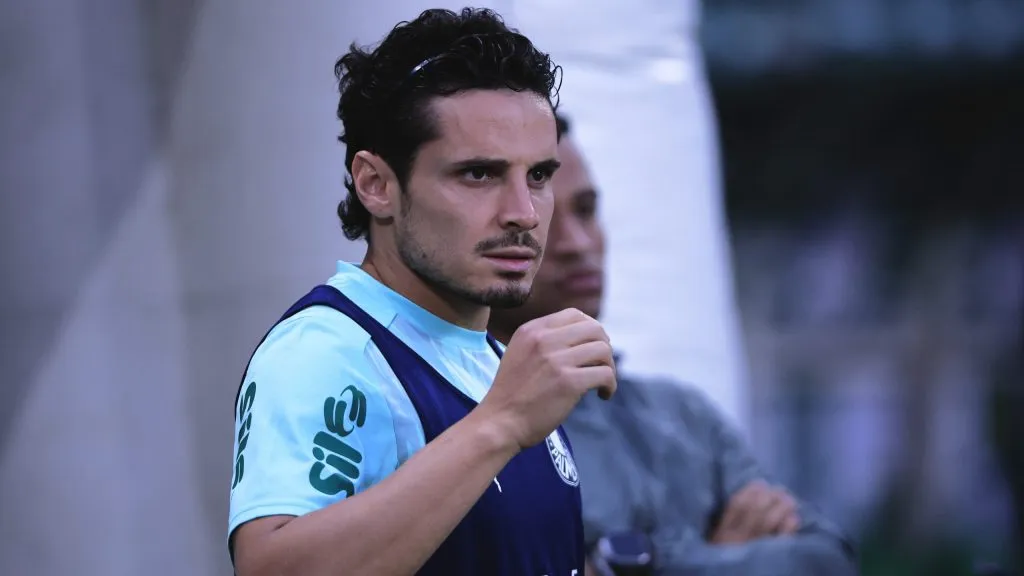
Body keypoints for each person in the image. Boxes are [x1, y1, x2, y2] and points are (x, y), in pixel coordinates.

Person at [226, 10, 616, 576]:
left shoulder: (493, 359)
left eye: (538, 176)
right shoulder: (326, 351)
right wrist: (500, 423)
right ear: (376, 185)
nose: (523, 214)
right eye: (478, 174)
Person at [489, 114, 858, 576]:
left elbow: (828, 560)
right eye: (544, 220)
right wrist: (721, 556)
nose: (577, 243)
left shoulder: (682, 416)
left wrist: (640, 563)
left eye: (586, 210)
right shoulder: (469, 426)